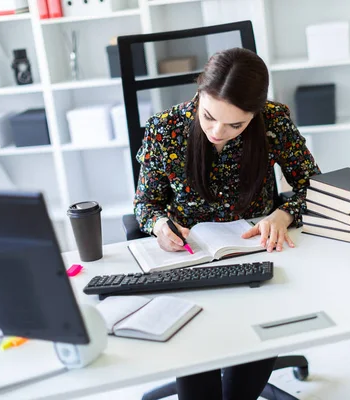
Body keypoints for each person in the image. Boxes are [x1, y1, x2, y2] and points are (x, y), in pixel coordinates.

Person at [133, 47, 321, 400]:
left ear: (255, 112)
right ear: (200, 91)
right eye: (208, 117)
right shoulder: (165, 129)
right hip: (191, 261)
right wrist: (160, 226)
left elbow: (314, 186)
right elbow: (146, 204)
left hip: (259, 255)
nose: (218, 131)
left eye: (236, 124)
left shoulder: (274, 121)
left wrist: (283, 213)